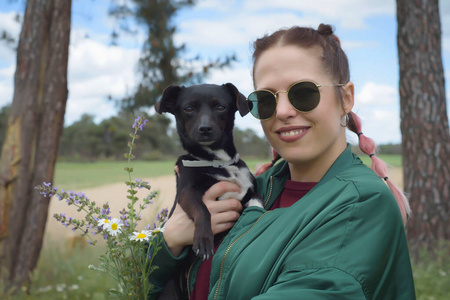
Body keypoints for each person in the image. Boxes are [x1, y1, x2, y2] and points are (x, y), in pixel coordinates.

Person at [148, 24, 416, 299]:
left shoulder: (361, 203)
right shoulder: (255, 189)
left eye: (304, 93)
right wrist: (168, 242)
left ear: (345, 98)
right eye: (266, 100)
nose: (284, 111)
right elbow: (145, 284)